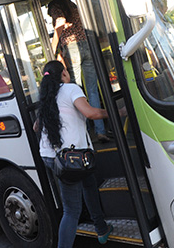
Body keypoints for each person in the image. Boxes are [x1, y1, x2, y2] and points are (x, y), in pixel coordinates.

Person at [37, 60, 113, 248]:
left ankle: (101, 228)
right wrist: (114, 112)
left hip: (50, 155)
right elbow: (91, 113)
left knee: (89, 184)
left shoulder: (47, 96)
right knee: (71, 210)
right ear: (63, 73)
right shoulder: (71, 89)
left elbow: (35, 126)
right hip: (70, 158)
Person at [48, 0, 109, 142]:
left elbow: (59, 23)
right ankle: (100, 130)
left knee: (76, 91)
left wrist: (53, 47)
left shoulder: (56, 6)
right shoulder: (73, 5)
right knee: (92, 89)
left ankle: (85, 131)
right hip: (87, 46)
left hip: (72, 46)